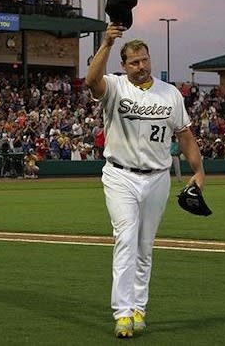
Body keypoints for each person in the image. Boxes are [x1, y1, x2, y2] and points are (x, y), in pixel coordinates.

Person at [85, 22, 205, 338]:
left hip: (157, 178)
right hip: (120, 175)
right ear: (124, 66)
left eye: (144, 60)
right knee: (125, 239)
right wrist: (107, 44)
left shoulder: (170, 94)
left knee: (144, 246)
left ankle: (139, 308)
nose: (141, 66)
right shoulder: (114, 86)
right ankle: (122, 313)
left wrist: (199, 171)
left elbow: (185, 135)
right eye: (134, 62)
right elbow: (91, 80)